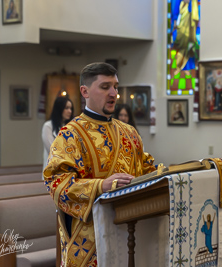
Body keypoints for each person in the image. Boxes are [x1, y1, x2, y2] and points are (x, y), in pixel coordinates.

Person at [43, 62, 156, 266]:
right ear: (84, 91)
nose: (113, 93)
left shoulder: (130, 133)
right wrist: (100, 186)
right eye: (105, 87)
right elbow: (57, 184)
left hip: (132, 236)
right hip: (90, 242)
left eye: (115, 87)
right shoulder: (70, 135)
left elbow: (149, 171)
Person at [41, 96, 74, 175]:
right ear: (59, 109)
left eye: (71, 108)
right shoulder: (48, 126)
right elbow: (52, 150)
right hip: (53, 171)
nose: (70, 111)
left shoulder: (71, 126)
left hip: (69, 171)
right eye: (66, 108)